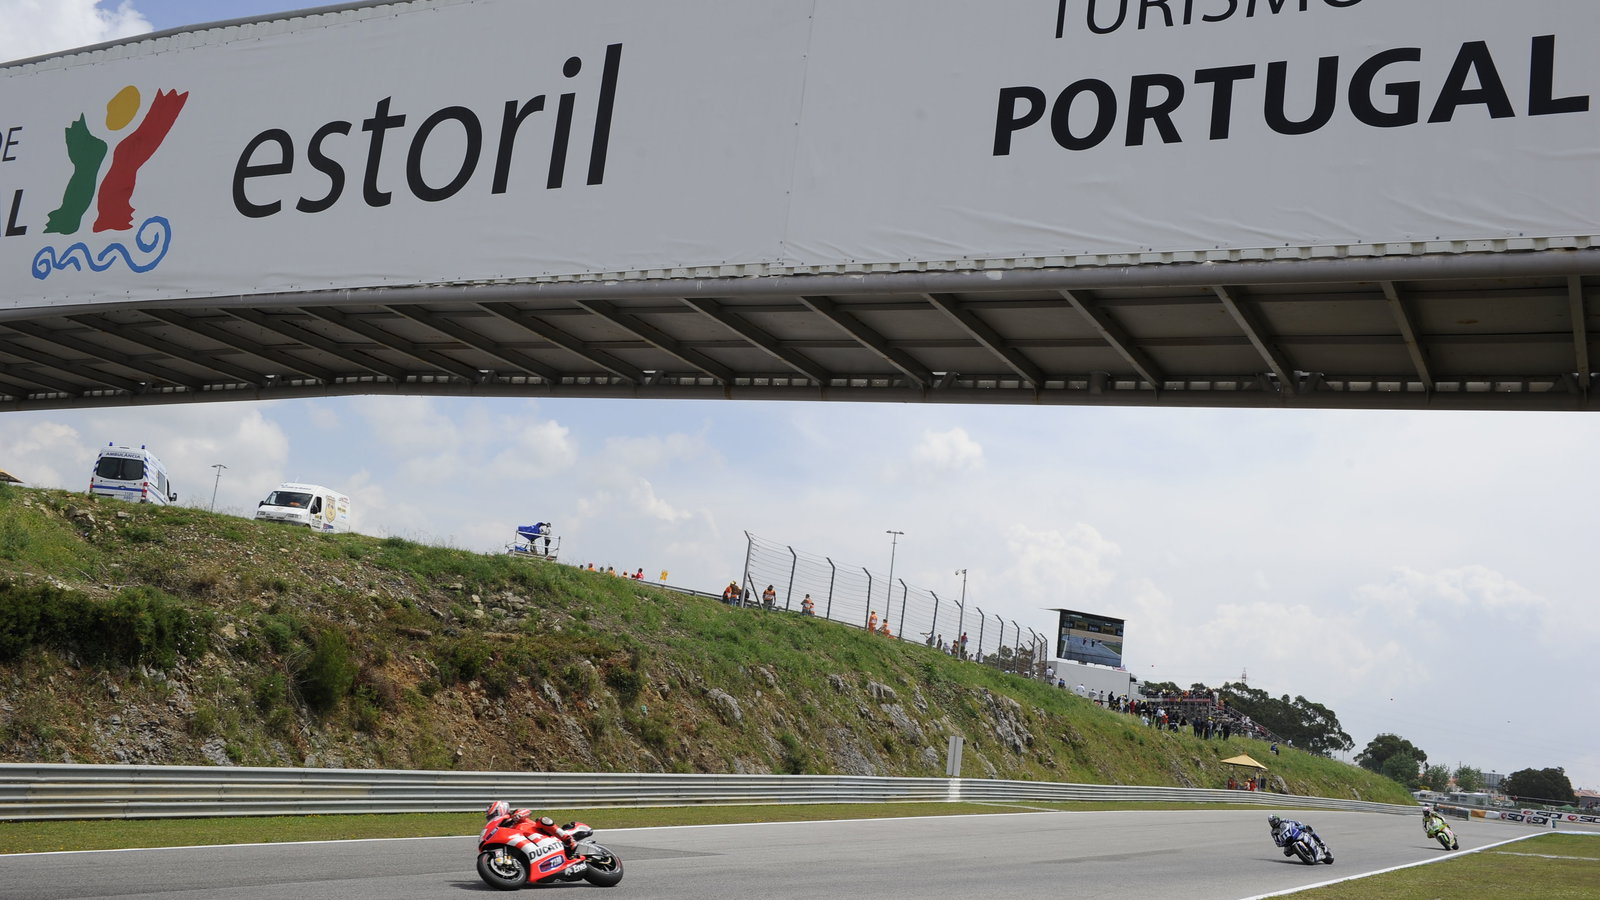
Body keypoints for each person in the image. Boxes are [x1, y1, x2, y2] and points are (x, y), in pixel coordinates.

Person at [485, 800, 578, 857]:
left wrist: (518, 815)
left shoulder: (513, 815)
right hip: (530, 843)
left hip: (539, 832)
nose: (492, 818)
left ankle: (568, 839)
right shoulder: (501, 828)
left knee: (542, 820)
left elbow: (527, 811)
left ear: (500, 809)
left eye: (492, 815)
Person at [1268, 814, 1332, 863]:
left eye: (1274, 821)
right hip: (1288, 841)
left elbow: (1294, 822)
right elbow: (1277, 842)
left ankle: (1320, 841)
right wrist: (1282, 843)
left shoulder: (1284, 820)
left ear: (1278, 819)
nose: (1274, 823)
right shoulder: (1273, 832)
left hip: (1294, 833)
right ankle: (1300, 852)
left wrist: (1300, 826)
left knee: (1307, 827)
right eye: (1272, 822)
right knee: (1286, 853)